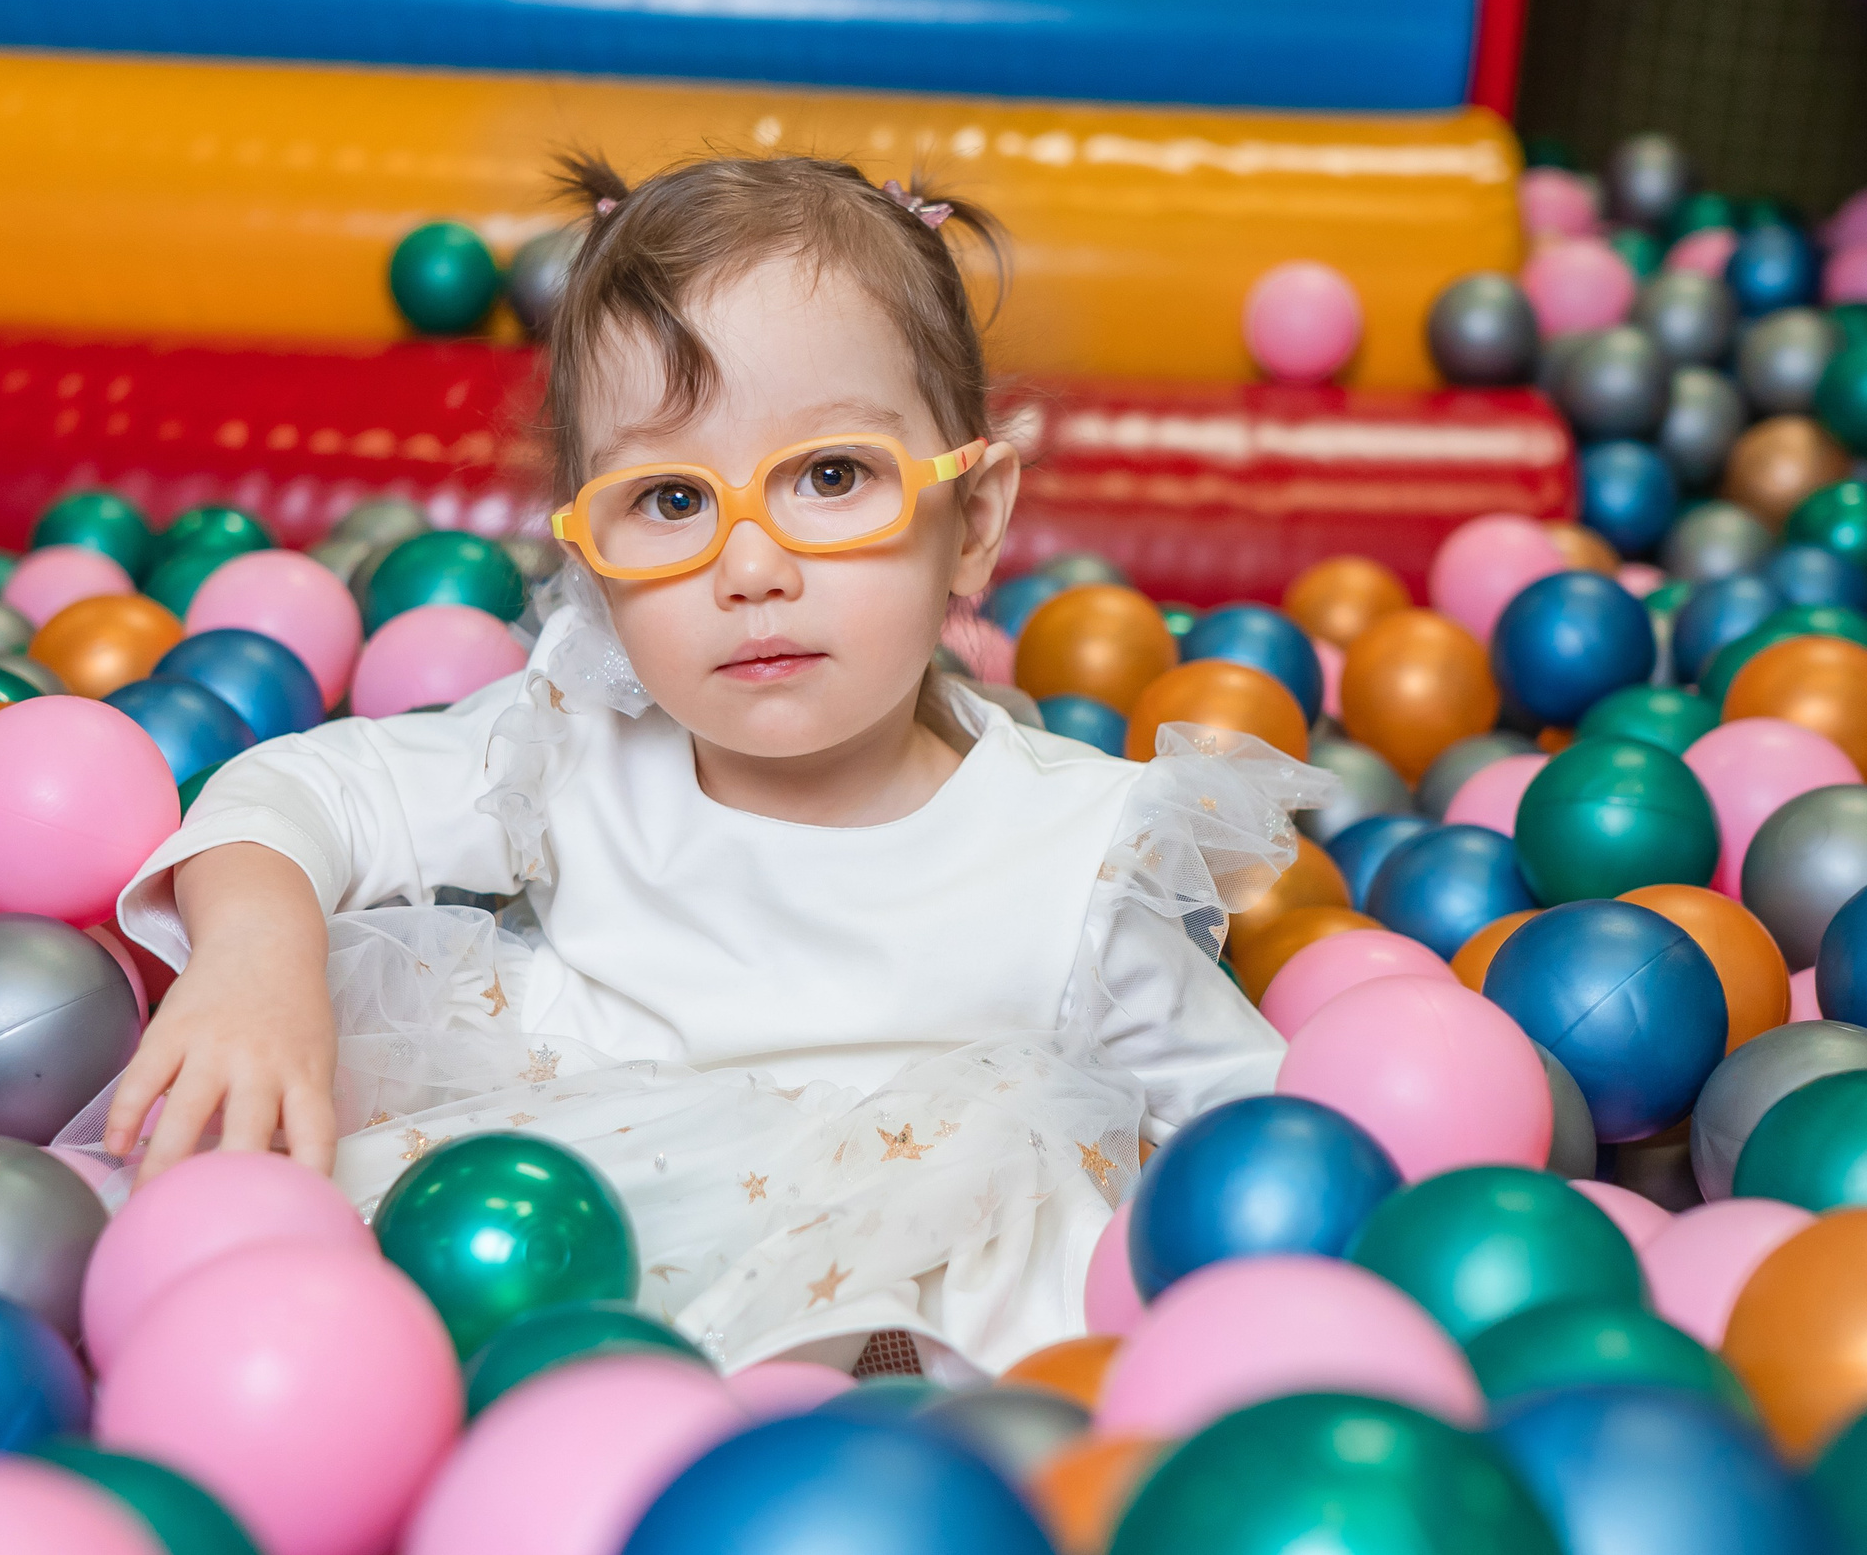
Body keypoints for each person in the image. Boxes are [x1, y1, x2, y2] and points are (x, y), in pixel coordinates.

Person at [78, 153, 1330, 1378]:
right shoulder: (568, 748)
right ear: (589, 548)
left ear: (976, 521)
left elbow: (1261, 1146)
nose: (750, 567)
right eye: (671, 501)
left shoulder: (1083, 854)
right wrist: (254, 962)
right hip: (558, 1245)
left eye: (832, 476)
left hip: (896, 1369)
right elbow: (300, 792)